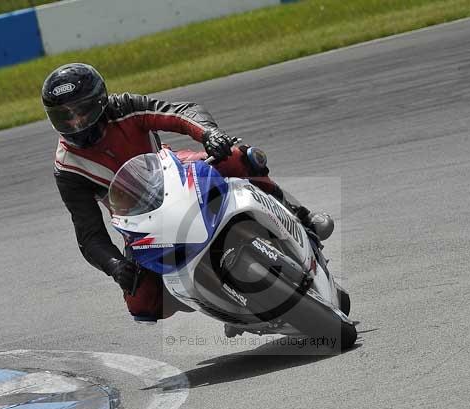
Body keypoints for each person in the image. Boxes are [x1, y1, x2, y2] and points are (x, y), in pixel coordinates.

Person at [42, 63, 333, 321]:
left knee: (237, 157)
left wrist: (209, 134)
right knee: (141, 302)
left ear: (101, 101)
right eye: (64, 117)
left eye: (81, 111)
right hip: (138, 221)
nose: (76, 124)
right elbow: (89, 235)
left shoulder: (124, 107)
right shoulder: (67, 168)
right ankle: (221, 302)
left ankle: (301, 217)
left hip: (177, 174)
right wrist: (115, 265)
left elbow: (180, 112)